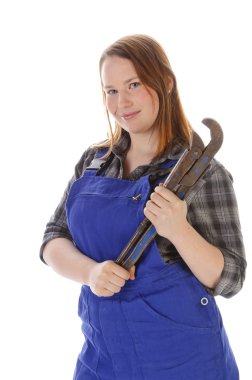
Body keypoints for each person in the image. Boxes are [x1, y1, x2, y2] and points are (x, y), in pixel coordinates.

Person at [40, 34, 246, 379]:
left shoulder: (203, 173)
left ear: (165, 82)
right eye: (111, 90)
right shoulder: (95, 161)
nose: (122, 102)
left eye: (133, 84)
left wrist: (179, 231)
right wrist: (91, 273)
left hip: (184, 364)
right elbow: (52, 239)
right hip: (102, 359)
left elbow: (231, 279)